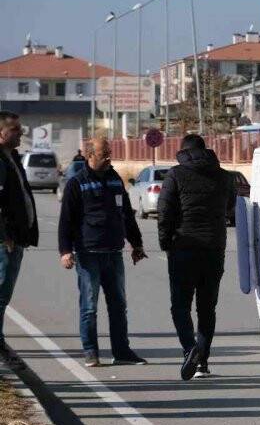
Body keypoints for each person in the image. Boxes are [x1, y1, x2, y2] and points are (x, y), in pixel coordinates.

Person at [57, 137, 147, 367]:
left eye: (109, 153)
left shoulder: (115, 179)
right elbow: (66, 221)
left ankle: (122, 351)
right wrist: (66, 250)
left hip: (113, 253)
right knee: (89, 306)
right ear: (90, 156)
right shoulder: (77, 183)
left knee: (118, 305)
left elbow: (127, 214)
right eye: (103, 154)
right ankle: (91, 352)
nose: (109, 158)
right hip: (88, 253)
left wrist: (136, 244)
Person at [157, 134, 235, 380]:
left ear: (183, 151)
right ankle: (202, 362)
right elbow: (230, 207)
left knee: (180, 306)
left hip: (183, 247)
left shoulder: (175, 175)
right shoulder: (224, 176)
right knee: (206, 308)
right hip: (214, 249)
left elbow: (164, 211)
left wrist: (165, 242)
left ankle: (189, 349)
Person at [0, 111, 38, 370]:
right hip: (5, 242)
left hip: (16, 239)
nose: (21, 133)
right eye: (15, 129)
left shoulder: (12, 157)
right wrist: (4, 236)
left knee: (4, 295)